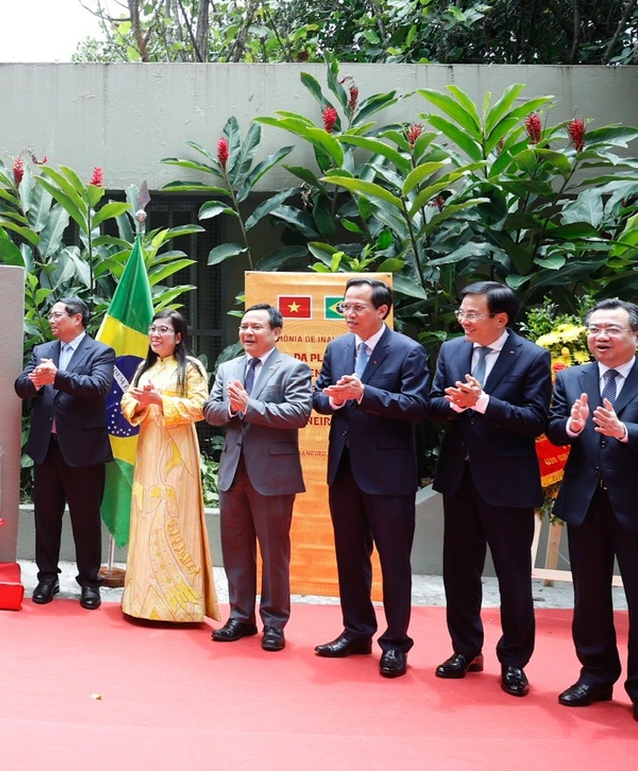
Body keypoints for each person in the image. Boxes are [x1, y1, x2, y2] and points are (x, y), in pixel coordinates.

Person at [546, 299, 638, 729]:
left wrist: (625, 431)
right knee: (589, 598)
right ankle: (596, 675)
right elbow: (553, 425)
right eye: (595, 328)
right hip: (587, 505)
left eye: (612, 329)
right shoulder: (573, 378)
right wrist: (571, 428)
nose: (600, 336)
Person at [427, 282, 550, 697]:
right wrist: (453, 405)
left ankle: (514, 661)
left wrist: (483, 403)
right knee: (459, 572)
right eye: (461, 313)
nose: (464, 321)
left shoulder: (532, 357)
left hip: (508, 483)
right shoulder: (452, 350)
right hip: (459, 479)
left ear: (501, 318)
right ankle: (465, 649)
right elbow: (432, 403)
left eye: (473, 314)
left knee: (513, 577)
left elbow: (536, 419)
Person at [312, 277, 428, 678]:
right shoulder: (338, 347)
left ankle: (396, 642)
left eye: (358, 307)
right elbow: (318, 395)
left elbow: (416, 406)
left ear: (382, 310)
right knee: (350, 556)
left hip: (388, 473)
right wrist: (330, 398)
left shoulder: (408, 351)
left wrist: (365, 394)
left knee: (394, 561)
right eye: (345, 307)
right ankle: (357, 631)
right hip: (343, 467)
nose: (349, 314)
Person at [203, 303, 312, 650]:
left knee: (274, 552)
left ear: (277, 333)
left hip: (273, 475)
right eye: (244, 326)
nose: (247, 333)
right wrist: (231, 408)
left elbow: (298, 413)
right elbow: (210, 410)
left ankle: (275, 623)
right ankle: (240, 617)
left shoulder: (292, 368)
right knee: (236, 550)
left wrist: (250, 407)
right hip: (234, 472)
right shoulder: (228, 367)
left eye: (256, 327)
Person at [14, 295, 115, 610]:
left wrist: (58, 377)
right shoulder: (42, 351)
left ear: (78, 318)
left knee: (85, 519)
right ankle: (47, 578)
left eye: (58, 315)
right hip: (48, 448)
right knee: (46, 517)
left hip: (84, 450)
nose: (52, 320)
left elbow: (98, 386)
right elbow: (20, 386)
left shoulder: (101, 351)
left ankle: (89, 582)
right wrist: (34, 381)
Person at [119, 309, 219, 623]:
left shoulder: (191, 367)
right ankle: (141, 600)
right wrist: (139, 403)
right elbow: (126, 403)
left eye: (164, 330)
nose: (155, 335)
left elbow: (200, 406)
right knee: (147, 517)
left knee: (174, 518)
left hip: (178, 456)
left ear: (178, 337)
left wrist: (161, 401)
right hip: (149, 450)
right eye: (153, 329)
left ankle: (180, 606)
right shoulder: (143, 368)